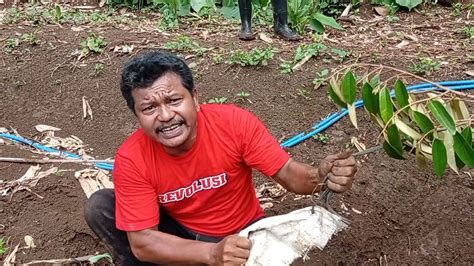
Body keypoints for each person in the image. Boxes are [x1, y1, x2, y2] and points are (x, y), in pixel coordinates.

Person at [84, 51, 357, 265]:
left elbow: (286, 173)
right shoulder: (132, 159)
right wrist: (212, 254)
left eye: (174, 100)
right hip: (184, 238)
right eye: (149, 107)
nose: (165, 116)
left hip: (244, 235)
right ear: (137, 116)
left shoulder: (233, 124)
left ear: (195, 97)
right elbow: (143, 242)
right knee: (101, 206)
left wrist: (319, 177)